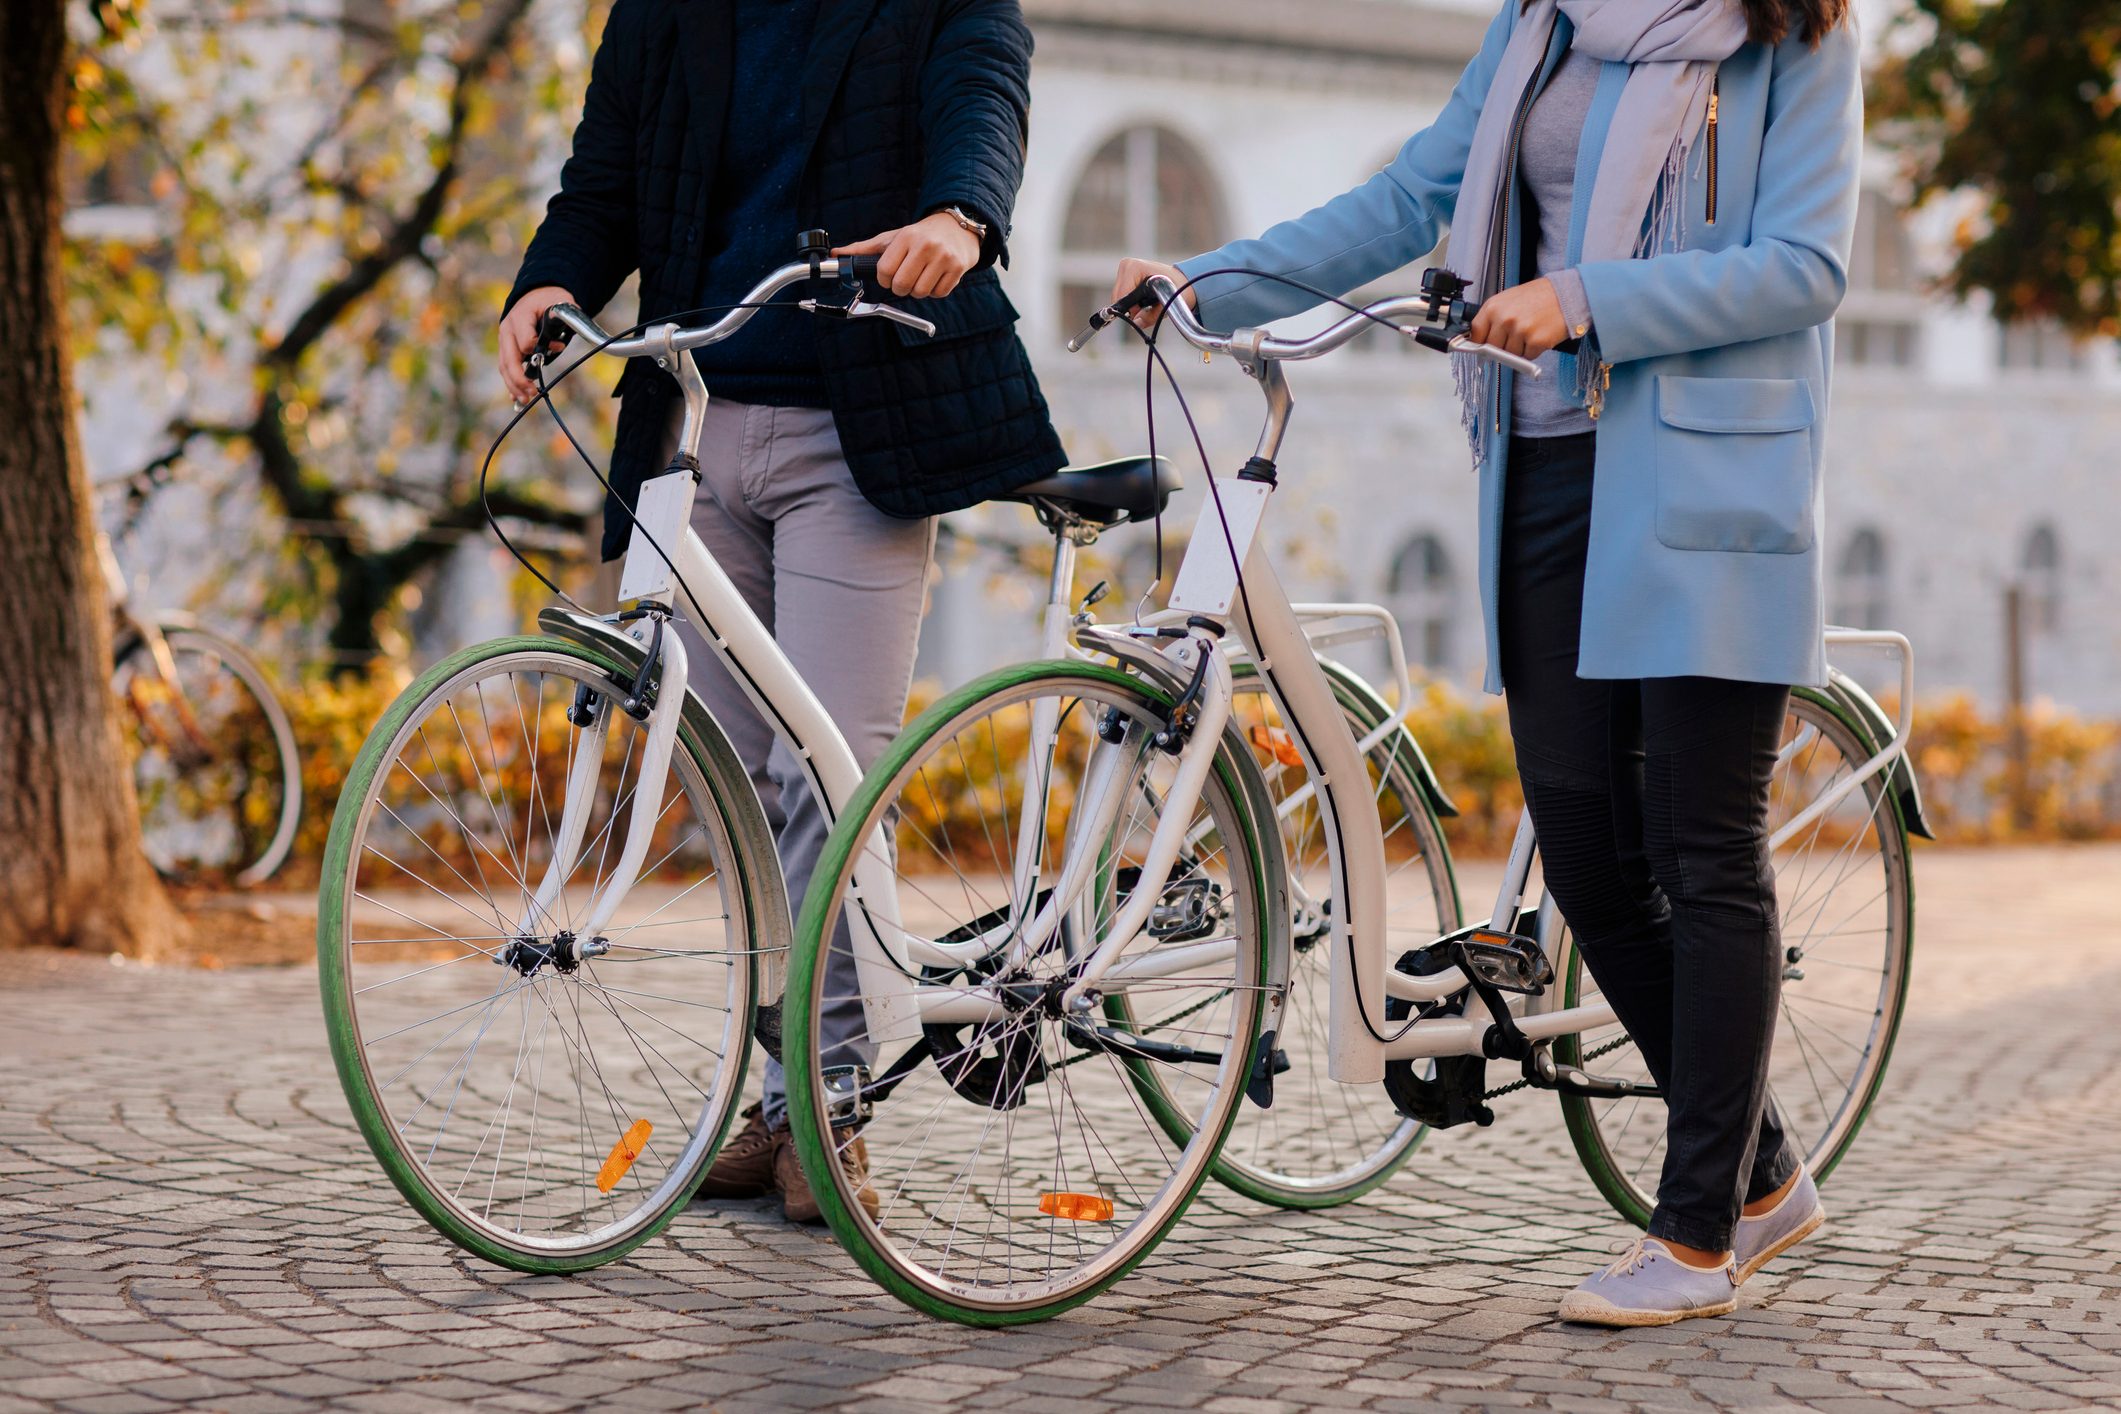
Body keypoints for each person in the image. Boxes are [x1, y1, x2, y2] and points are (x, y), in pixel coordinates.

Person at [1111, 0, 1856, 1326]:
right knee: (1584, 850)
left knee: (1702, 844)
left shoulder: (1786, 36)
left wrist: (1583, 298)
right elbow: (1414, 193)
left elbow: (1803, 263)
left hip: (1704, 471)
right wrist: (1203, 282)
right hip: (1543, 470)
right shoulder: (1545, 20)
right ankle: (1763, 1176)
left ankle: (1694, 1238)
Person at [499, 0, 1065, 1223]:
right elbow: (604, 180)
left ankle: (835, 1107)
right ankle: (778, 1098)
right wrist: (549, 281)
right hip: (687, 415)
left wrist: (959, 218)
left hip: (856, 425)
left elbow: (984, 97)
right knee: (737, 784)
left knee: (830, 771)